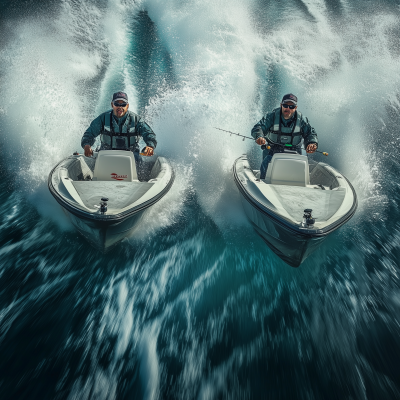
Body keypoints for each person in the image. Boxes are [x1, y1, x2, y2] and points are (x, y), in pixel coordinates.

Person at [81, 91, 157, 179]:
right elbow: (89, 133)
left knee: (140, 171)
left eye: (123, 104)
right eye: (117, 104)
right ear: (112, 104)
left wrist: (150, 146)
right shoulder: (103, 118)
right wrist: (86, 145)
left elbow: (149, 133)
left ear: (127, 106)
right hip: (106, 155)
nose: (120, 107)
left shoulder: (136, 120)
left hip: (131, 155)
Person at [251, 93, 318, 179]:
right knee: (267, 163)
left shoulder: (302, 120)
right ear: (281, 105)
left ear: (296, 108)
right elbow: (258, 127)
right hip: (271, 151)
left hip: (295, 153)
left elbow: (310, 133)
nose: (288, 108)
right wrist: (259, 136)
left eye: (291, 106)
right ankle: (263, 181)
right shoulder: (271, 116)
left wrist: (312, 143)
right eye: (285, 105)